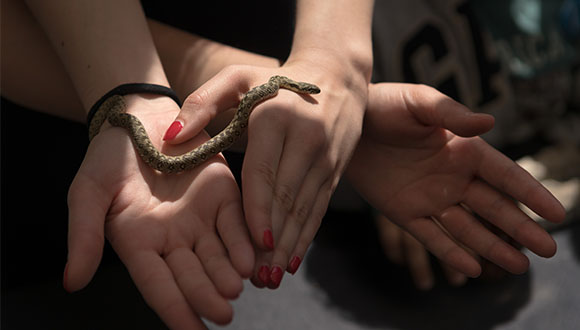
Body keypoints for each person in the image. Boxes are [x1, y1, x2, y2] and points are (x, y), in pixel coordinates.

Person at [1, 0, 565, 328]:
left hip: (219, 183)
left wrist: (334, 61)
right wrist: (130, 98)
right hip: (45, 191)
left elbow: (316, 76)